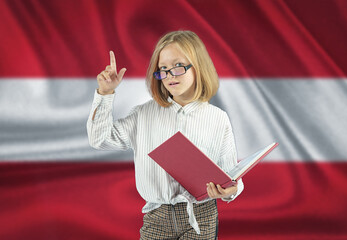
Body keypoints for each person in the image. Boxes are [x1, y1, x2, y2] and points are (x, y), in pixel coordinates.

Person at [87, 30, 244, 239]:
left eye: (178, 67)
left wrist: (230, 189)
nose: (170, 75)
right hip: (156, 216)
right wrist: (105, 93)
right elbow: (100, 140)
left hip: (201, 216)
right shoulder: (143, 115)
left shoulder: (218, 118)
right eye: (163, 69)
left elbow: (229, 172)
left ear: (198, 67)